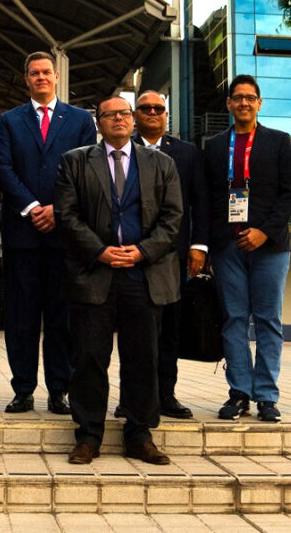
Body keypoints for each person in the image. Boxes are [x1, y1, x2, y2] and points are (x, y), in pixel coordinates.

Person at [54, 96, 183, 465]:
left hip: (144, 273)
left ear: (133, 120)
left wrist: (142, 250)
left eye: (125, 113)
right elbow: (67, 215)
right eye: (110, 115)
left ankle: (139, 434)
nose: (119, 120)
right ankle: (88, 435)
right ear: (99, 122)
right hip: (95, 272)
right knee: (90, 355)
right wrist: (100, 251)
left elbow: (173, 217)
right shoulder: (74, 162)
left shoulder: (162, 164)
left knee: (142, 356)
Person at [0, 51, 96, 414]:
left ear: (56, 77)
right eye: (33, 73)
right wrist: (33, 207)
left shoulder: (81, 120)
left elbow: (87, 168)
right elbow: (3, 168)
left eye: (46, 72)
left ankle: (60, 390)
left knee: (61, 317)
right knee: (21, 317)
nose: (40, 77)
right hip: (23, 234)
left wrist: (58, 208)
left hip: (64, 236)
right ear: (26, 79)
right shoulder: (9, 121)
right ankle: (23, 389)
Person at [204, 75, 291, 422]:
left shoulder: (278, 142)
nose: (243, 103)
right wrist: (207, 246)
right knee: (233, 319)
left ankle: (266, 396)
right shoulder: (214, 146)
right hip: (227, 247)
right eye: (237, 98)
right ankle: (239, 393)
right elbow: (208, 200)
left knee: (268, 321)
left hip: (270, 247)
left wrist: (264, 232)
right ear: (229, 104)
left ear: (259, 103)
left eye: (250, 98)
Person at [128, 89, 209, 419]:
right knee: (136, 332)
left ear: (166, 115)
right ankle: (132, 398)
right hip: (131, 256)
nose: (151, 113)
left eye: (158, 108)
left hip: (173, 257)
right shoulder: (122, 151)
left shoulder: (188, 154)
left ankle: (166, 395)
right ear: (134, 115)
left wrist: (199, 245)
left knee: (170, 330)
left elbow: (200, 201)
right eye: (144, 108)